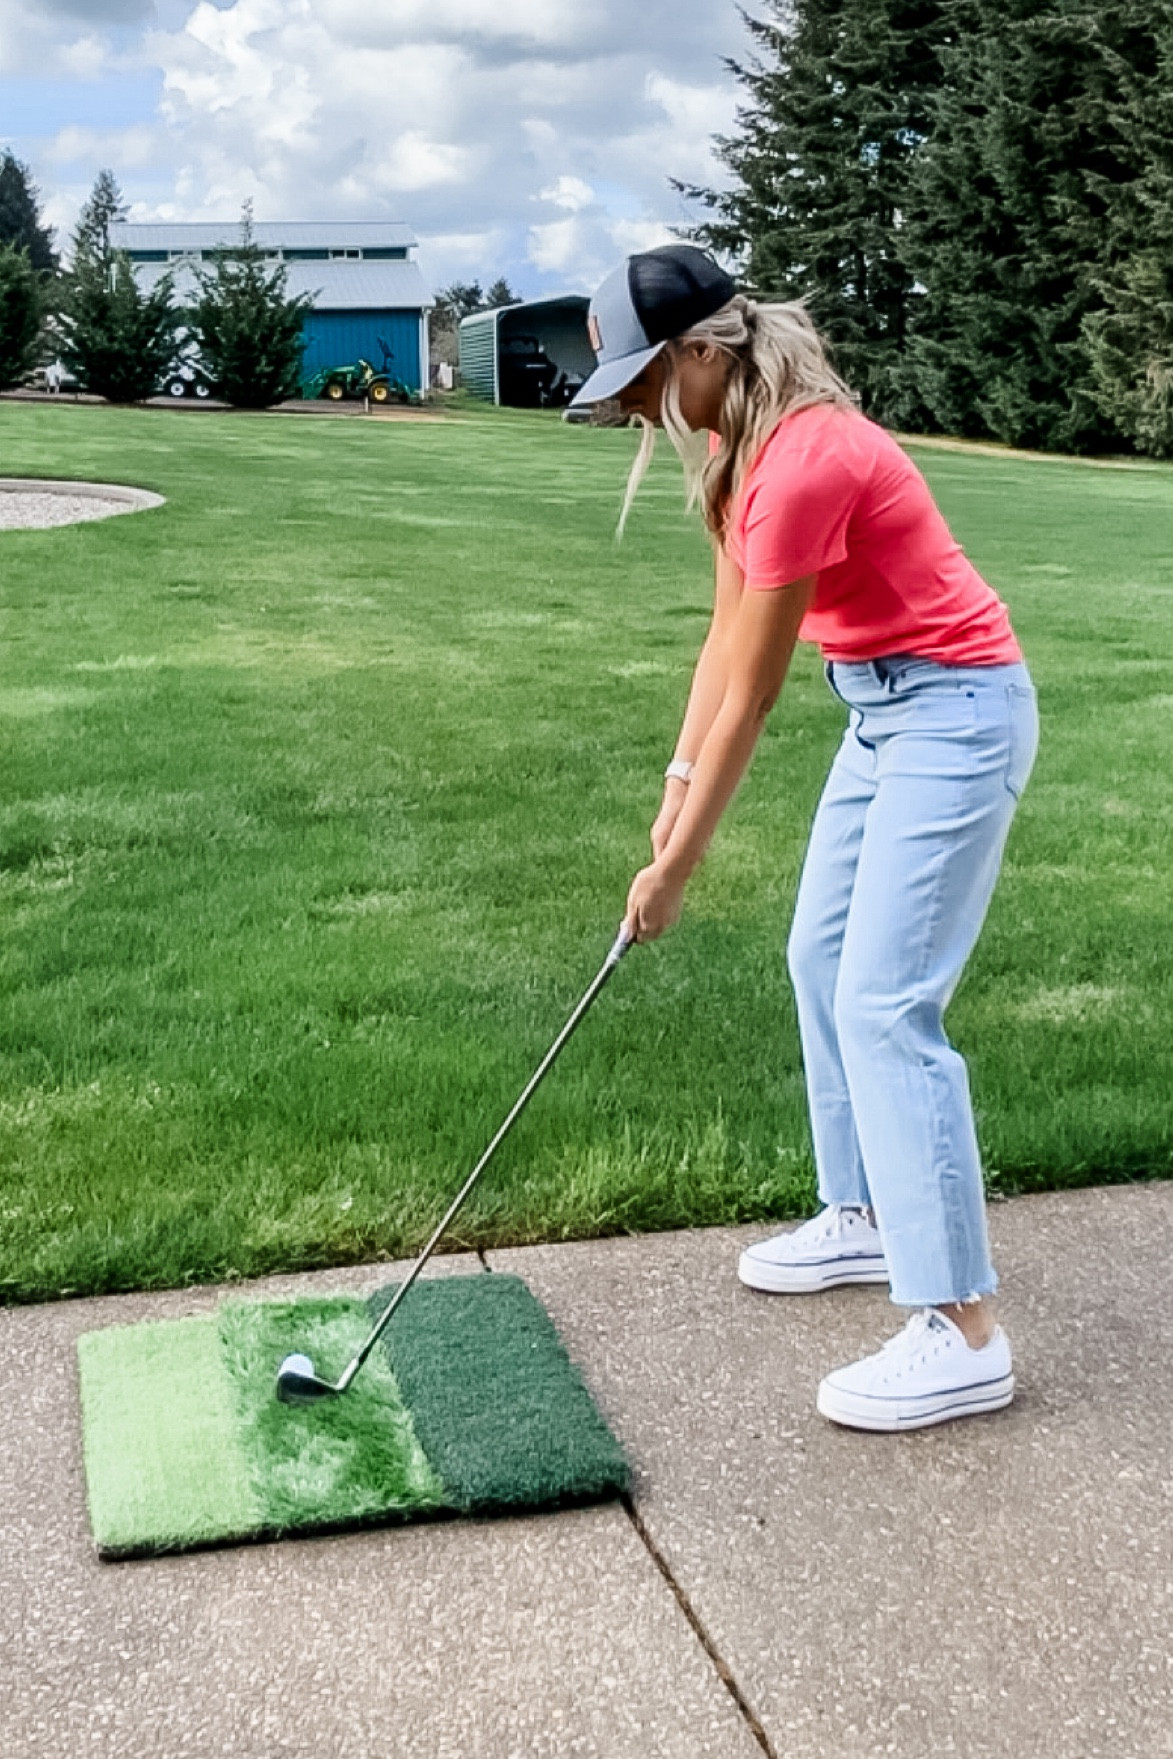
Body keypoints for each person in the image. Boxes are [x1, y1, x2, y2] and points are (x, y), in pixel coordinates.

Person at [568, 244, 1038, 1433]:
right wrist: (673, 787)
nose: (631, 405)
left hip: (956, 711)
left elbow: (760, 695)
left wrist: (676, 871)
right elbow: (722, 652)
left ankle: (964, 1327)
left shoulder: (808, 461)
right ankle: (866, 1217)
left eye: (638, 379)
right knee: (818, 961)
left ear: (702, 352)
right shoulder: (742, 454)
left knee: (886, 1003)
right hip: (883, 713)